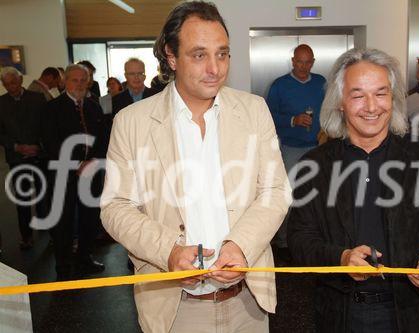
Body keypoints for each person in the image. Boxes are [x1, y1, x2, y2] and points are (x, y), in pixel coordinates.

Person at [100, 2, 290, 332]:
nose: (215, 68)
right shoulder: (132, 122)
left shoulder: (253, 110)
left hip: (247, 302)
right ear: (171, 57)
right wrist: (168, 251)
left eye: (222, 54)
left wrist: (240, 247)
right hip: (175, 307)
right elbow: (115, 207)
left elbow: (275, 191)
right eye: (199, 55)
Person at [287, 48, 419, 332]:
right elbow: (300, 238)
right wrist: (340, 258)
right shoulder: (315, 166)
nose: (371, 107)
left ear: (393, 100)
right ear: (340, 103)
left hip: (414, 313)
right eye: (358, 95)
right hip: (341, 313)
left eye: (381, 94)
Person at [44, 64, 108, 281]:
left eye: (83, 80)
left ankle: (84, 258)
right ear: (65, 82)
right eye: (74, 80)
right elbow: (50, 143)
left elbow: (103, 140)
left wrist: (93, 162)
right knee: (63, 222)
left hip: (91, 176)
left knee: (89, 220)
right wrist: (76, 165)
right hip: (63, 176)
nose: (79, 84)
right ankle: (63, 265)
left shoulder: (94, 107)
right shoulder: (52, 108)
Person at [266, 44, 326, 255]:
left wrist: (327, 130)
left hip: (317, 148)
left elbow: (330, 109)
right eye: (299, 61)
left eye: (307, 62)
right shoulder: (280, 86)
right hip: (290, 148)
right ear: (293, 61)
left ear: (313, 62)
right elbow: (268, 117)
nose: (303, 66)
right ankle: (283, 242)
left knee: (317, 196)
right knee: (288, 196)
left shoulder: (321, 83)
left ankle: (314, 240)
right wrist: (293, 120)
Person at [0, 66, 48, 249]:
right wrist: (17, 146)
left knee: (44, 195)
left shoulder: (37, 99)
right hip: (16, 157)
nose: (11, 86)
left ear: (20, 81)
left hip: (39, 154)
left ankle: (49, 231)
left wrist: (38, 146)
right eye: (6, 84)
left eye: (13, 82)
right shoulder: (1, 103)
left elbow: (46, 125)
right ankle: (26, 236)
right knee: (23, 198)